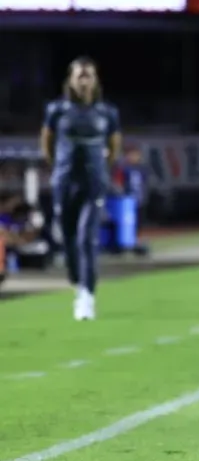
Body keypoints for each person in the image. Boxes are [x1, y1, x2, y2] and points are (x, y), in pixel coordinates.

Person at [40, 57, 121, 320]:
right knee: (68, 239)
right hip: (65, 183)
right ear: (71, 80)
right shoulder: (57, 110)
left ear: (96, 80)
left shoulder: (107, 112)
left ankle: (87, 296)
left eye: (89, 75)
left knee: (87, 238)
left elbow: (114, 145)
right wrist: (58, 167)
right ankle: (77, 279)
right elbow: (47, 142)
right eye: (79, 75)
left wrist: (101, 168)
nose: (84, 80)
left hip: (93, 183)